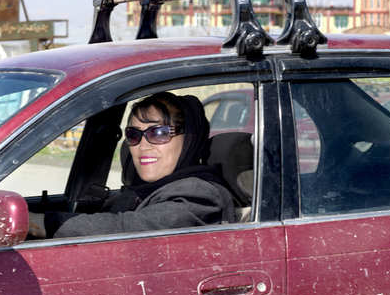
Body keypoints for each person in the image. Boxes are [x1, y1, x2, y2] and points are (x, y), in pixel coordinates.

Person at [29, 92, 236, 238]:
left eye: (159, 133)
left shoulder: (200, 195)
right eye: (134, 134)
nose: (143, 145)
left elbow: (131, 228)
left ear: (189, 138)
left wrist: (44, 223)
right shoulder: (140, 192)